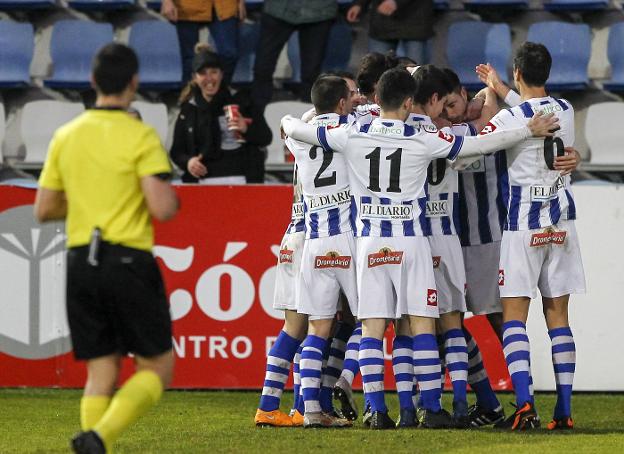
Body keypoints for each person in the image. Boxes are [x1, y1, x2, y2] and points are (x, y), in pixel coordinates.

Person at [282, 67, 559, 429]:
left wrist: (287, 121)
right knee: (424, 324)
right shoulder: (422, 139)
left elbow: (303, 129)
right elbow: (477, 144)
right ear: (409, 102)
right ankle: (430, 407)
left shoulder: (353, 134)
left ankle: (376, 410)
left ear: (377, 99)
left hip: (371, 244)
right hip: (411, 242)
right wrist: (527, 130)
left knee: (374, 327)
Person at [34, 43, 179, 453]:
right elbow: (162, 207)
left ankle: (95, 445)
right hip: (128, 259)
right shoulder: (139, 135)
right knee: (157, 366)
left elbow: (44, 208)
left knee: (101, 371)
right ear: (134, 82)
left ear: (93, 81)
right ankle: (99, 438)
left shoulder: (66, 135)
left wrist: (87, 200)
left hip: (80, 261)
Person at [477, 42, 586, 431]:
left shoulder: (513, 119)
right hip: (561, 223)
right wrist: (501, 86)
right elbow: (528, 105)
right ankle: (565, 410)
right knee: (558, 316)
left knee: (514, 319)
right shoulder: (567, 110)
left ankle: (524, 404)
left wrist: (497, 93)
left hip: (524, 226)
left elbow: (480, 142)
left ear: (519, 73)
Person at [286, 75, 357, 428]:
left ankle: (311, 411)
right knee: (370, 320)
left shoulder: (300, 136)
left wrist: (293, 121)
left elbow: (289, 124)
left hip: (315, 243)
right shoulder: (353, 131)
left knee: (317, 328)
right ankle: (357, 390)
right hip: (349, 240)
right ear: (343, 103)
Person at [405, 64, 471, 428]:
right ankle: (459, 403)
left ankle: (416, 402)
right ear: (432, 99)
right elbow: (482, 139)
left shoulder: (395, 134)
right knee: (452, 323)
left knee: (414, 326)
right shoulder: (449, 134)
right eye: (444, 103)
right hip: (446, 238)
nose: (447, 110)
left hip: (413, 236)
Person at [170, 44, 272, 184]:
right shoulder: (189, 110)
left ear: (222, 74)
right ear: (194, 78)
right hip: (203, 180)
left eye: (213, 72)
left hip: (244, 178)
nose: (209, 78)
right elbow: (176, 152)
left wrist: (247, 129)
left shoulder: (242, 101)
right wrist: (189, 162)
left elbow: (266, 137)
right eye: (203, 73)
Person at [251, 0, 338, 108]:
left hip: (320, 11)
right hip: (277, 9)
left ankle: (309, 116)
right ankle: (258, 113)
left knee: (311, 72)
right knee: (263, 66)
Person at [161, 0, 245, 83]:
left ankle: (217, 92)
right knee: (190, 60)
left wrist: (241, 1)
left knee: (229, 54)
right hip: (186, 5)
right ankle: (191, 95)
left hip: (225, 4)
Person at [347, 0, 433, 64]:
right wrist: (359, 4)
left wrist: (396, 2)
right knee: (376, 73)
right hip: (382, 23)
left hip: (416, 21)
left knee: (417, 76)